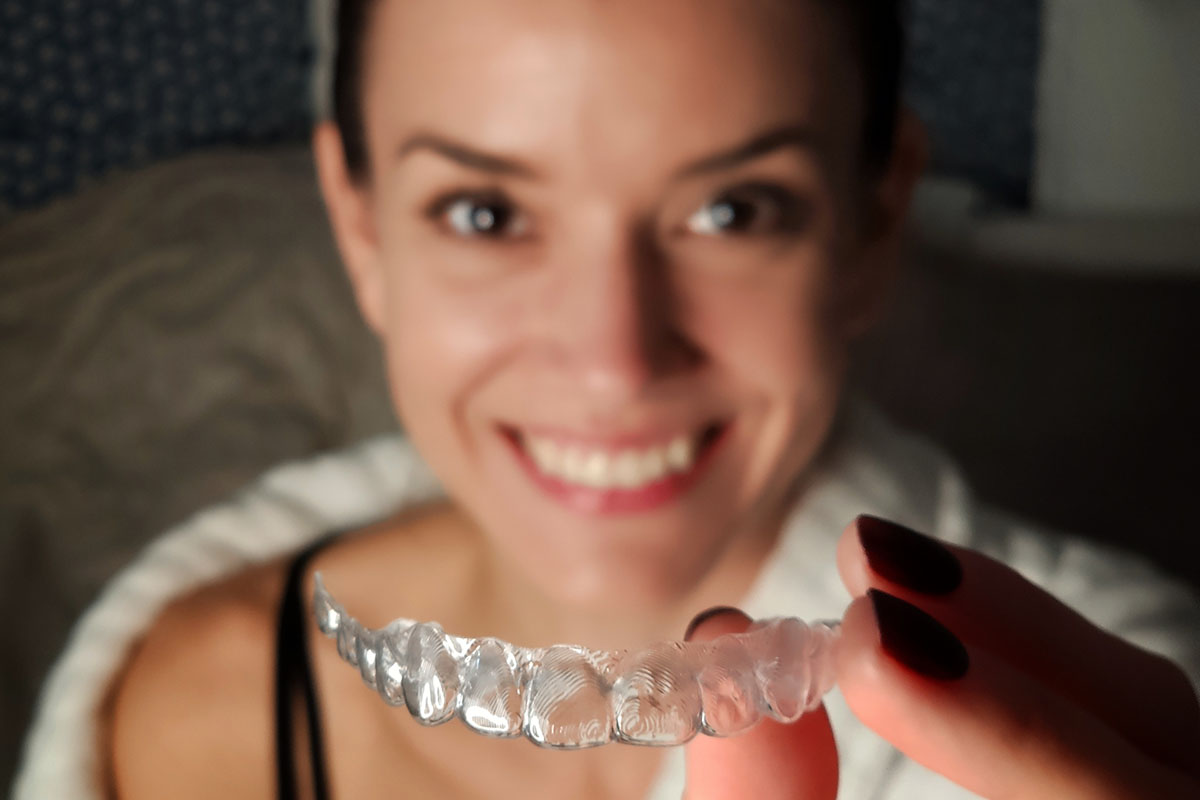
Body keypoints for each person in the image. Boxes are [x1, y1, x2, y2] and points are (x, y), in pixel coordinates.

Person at [13, 0, 1200, 798]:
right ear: (360, 228)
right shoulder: (185, 708)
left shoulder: (1118, 711)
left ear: (873, 222)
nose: (613, 361)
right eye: (486, 211)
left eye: (733, 209)